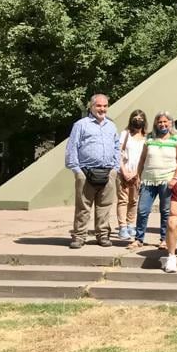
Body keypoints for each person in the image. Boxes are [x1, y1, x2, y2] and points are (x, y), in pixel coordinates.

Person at [64, 94, 119, 249]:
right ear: (91, 106)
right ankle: (79, 236)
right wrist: (76, 170)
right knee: (83, 207)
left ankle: (102, 235)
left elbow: (116, 148)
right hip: (86, 172)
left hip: (108, 172)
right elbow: (71, 147)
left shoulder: (111, 126)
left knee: (105, 207)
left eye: (105, 106)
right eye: (99, 106)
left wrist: (115, 169)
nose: (102, 109)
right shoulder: (81, 125)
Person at [133, 112, 177, 249]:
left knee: (166, 211)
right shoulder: (149, 138)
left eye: (165, 122)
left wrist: (175, 178)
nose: (162, 124)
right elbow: (142, 159)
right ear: (156, 123)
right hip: (148, 180)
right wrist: (138, 175)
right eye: (159, 122)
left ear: (170, 123)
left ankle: (164, 239)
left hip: (167, 180)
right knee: (142, 210)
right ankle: (138, 239)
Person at [116, 110, 147, 242]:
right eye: (135, 117)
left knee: (134, 201)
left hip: (137, 174)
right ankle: (122, 227)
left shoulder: (147, 137)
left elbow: (145, 157)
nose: (138, 119)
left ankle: (130, 224)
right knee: (123, 200)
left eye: (140, 118)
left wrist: (136, 174)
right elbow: (118, 153)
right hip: (124, 172)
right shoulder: (125, 134)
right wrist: (124, 171)